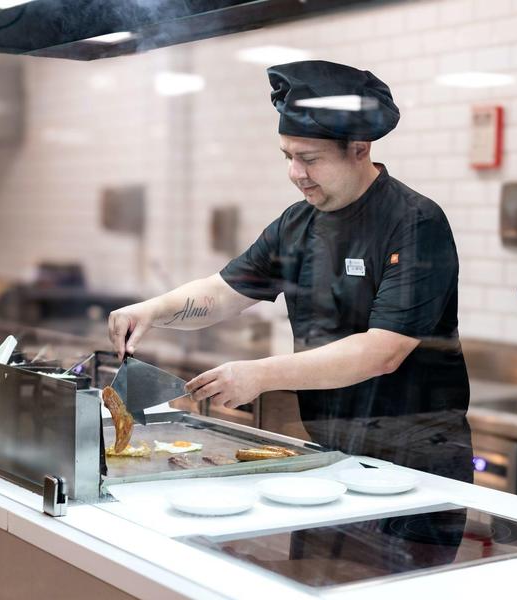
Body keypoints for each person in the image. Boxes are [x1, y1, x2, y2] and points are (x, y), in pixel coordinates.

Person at [108, 60, 472, 482]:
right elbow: (224, 293)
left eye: (309, 159)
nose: (295, 173)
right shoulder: (297, 224)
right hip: (329, 452)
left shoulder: (414, 222)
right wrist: (152, 310)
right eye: (288, 156)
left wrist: (259, 374)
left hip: (416, 462)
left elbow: (382, 353)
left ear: (360, 148)